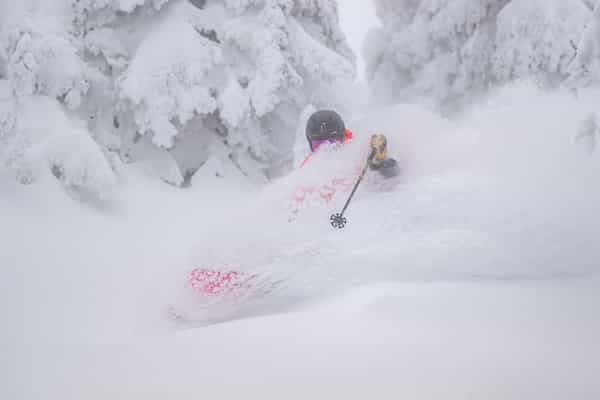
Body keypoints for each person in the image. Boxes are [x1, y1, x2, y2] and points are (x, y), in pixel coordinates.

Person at [303, 109, 399, 177]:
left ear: (342, 138)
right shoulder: (309, 167)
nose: (325, 148)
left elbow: (394, 173)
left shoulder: (358, 148)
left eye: (332, 142)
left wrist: (380, 161)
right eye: (318, 144)